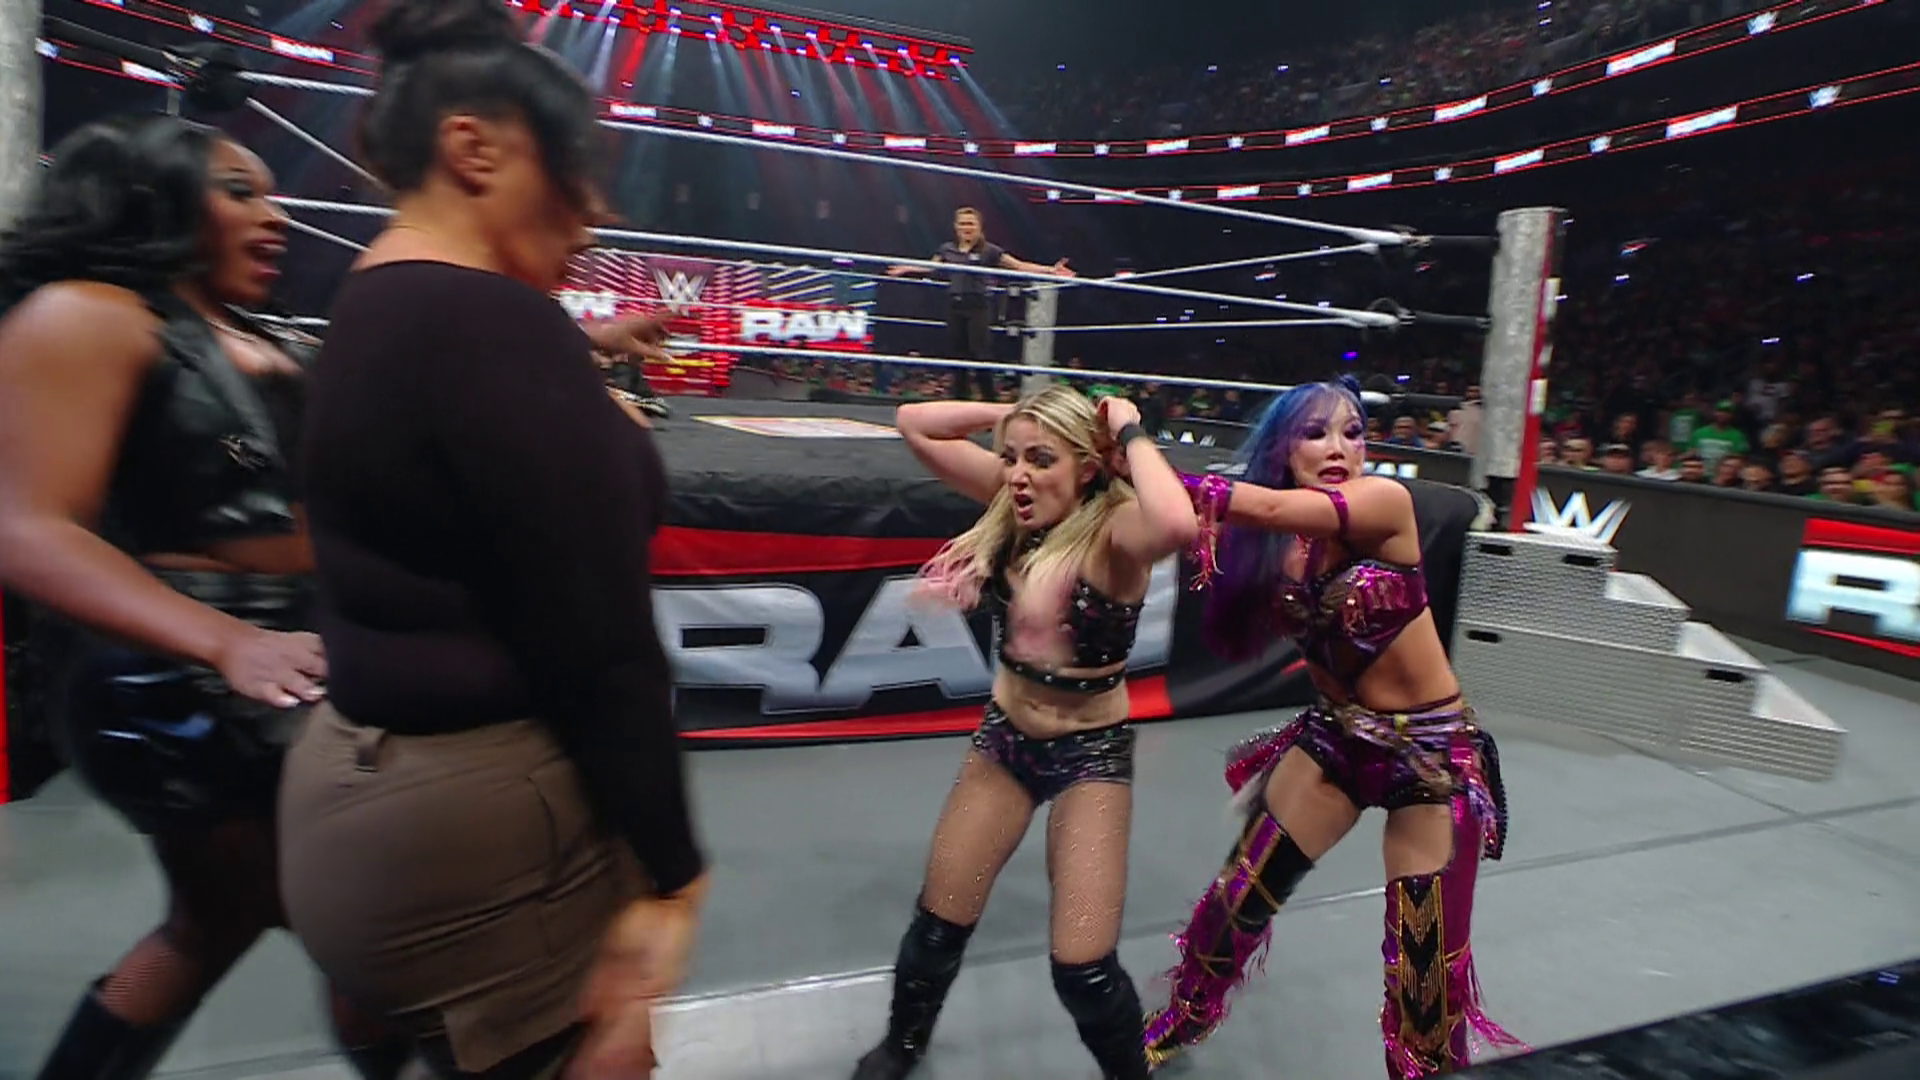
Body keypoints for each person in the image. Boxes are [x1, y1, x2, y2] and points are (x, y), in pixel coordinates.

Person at [277, 2, 706, 1079]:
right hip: (481, 841)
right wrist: (674, 873)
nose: (595, 214)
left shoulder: (376, 297)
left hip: (359, 792)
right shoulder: (492, 322)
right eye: (578, 171)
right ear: (474, 148)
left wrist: (577, 362)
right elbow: (604, 650)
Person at [0, 114, 410, 1080]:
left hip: (285, 659)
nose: (277, 217)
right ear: (158, 198)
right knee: (357, 921)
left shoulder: (249, 335)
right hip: (172, 676)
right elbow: (26, 529)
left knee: (227, 924)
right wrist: (224, 641)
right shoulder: (90, 314)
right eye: (240, 191)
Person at [1141, 377, 1525, 1077]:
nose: (1340, 447)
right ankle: (1181, 1018)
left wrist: (1133, 447)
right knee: (1234, 903)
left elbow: (1255, 503)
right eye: (1317, 433)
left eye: (1353, 432)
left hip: (1431, 760)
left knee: (1423, 977)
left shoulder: (1382, 503)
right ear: (1284, 447)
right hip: (1338, 740)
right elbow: (1226, 527)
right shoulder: (1274, 545)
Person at [853, 385, 1198, 1080]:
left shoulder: (1116, 528)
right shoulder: (1012, 497)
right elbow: (915, 422)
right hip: (1007, 743)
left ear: (1087, 468)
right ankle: (903, 1046)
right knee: (938, 925)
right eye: (1011, 458)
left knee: (1083, 969)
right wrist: (1016, 419)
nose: (1018, 474)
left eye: (1042, 460)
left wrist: (1128, 430)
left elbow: (1178, 523)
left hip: (1089, 756)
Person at [886, 207, 1074, 402]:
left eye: (970, 223)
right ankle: (959, 401)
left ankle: (989, 401)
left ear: (979, 227)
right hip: (955, 305)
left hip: (978, 306)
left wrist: (1050, 270)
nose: (966, 227)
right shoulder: (947, 249)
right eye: (963, 223)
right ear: (956, 226)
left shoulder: (989, 250)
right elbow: (931, 267)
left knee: (980, 354)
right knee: (957, 355)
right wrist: (907, 268)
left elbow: (1018, 265)